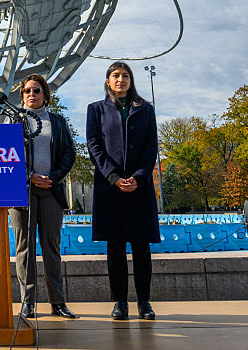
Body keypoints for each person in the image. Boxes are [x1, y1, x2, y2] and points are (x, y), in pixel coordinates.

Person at [86, 61, 160, 321]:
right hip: (110, 188)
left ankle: (144, 302)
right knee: (115, 247)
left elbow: (152, 147)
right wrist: (114, 177)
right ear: (108, 80)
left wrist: (139, 177)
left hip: (139, 188)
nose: (121, 80)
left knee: (141, 247)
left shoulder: (145, 110)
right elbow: (94, 146)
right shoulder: (95, 110)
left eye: (125, 76)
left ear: (131, 80)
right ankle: (119, 302)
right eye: (115, 75)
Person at [7, 74, 77, 319]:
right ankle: (28, 303)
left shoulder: (57, 121)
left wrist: (53, 177)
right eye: (26, 91)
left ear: (45, 94)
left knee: (51, 249)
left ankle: (58, 303)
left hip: (51, 191)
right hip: (22, 193)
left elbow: (69, 152)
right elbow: (5, 155)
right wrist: (30, 176)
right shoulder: (12, 121)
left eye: (36, 90)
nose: (31, 94)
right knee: (24, 249)